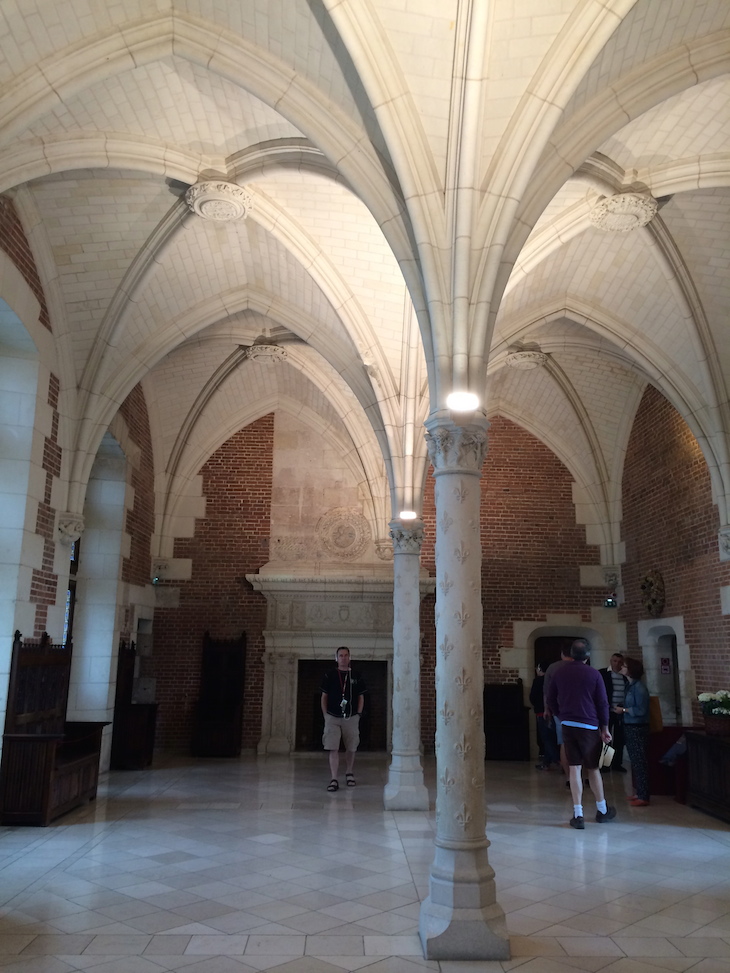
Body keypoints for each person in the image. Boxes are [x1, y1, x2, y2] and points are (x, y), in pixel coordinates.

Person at [545, 637, 617, 829]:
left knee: (575, 768)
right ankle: (602, 810)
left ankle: (578, 814)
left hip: (568, 724)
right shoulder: (593, 674)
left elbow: (550, 699)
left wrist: (561, 715)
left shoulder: (559, 673)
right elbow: (602, 703)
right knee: (593, 768)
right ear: (587, 655)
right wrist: (605, 727)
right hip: (589, 726)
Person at [321, 646, 367, 792]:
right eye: (341, 655)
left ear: (349, 657)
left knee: (351, 747)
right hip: (332, 717)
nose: (343, 658)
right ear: (336, 658)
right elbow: (324, 697)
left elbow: (361, 696)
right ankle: (334, 778)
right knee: (333, 747)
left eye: (346, 655)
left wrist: (358, 714)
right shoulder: (329, 675)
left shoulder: (356, 675)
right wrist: (325, 714)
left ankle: (349, 772)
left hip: (351, 717)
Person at [616, 657, 651, 806]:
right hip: (629, 725)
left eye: (624, 666)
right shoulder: (630, 686)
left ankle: (644, 795)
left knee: (639, 761)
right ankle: (639, 792)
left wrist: (623, 710)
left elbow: (641, 710)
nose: (621, 667)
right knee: (635, 761)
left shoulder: (639, 688)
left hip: (638, 727)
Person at [543, 646, 573, 781]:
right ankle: (580, 776)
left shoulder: (553, 668)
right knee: (580, 744)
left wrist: (547, 709)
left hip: (559, 711)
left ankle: (568, 777)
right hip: (580, 712)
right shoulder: (581, 667)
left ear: (562, 653)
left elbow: (547, 692)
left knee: (563, 743)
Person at [601, 652, 629, 772]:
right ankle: (605, 764)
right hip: (607, 711)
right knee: (607, 738)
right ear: (610, 661)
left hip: (621, 711)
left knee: (620, 738)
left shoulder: (625, 676)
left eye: (619, 662)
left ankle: (617, 763)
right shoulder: (602, 674)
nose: (617, 664)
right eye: (614, 661)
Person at [530, 662, 560, 770]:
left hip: (542, 712)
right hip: (555, 712)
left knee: (546, 738)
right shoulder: (554, 680)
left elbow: (532, 697)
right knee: (552, 737)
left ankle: (558, 760)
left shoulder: (538, 681)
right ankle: (546, 762)